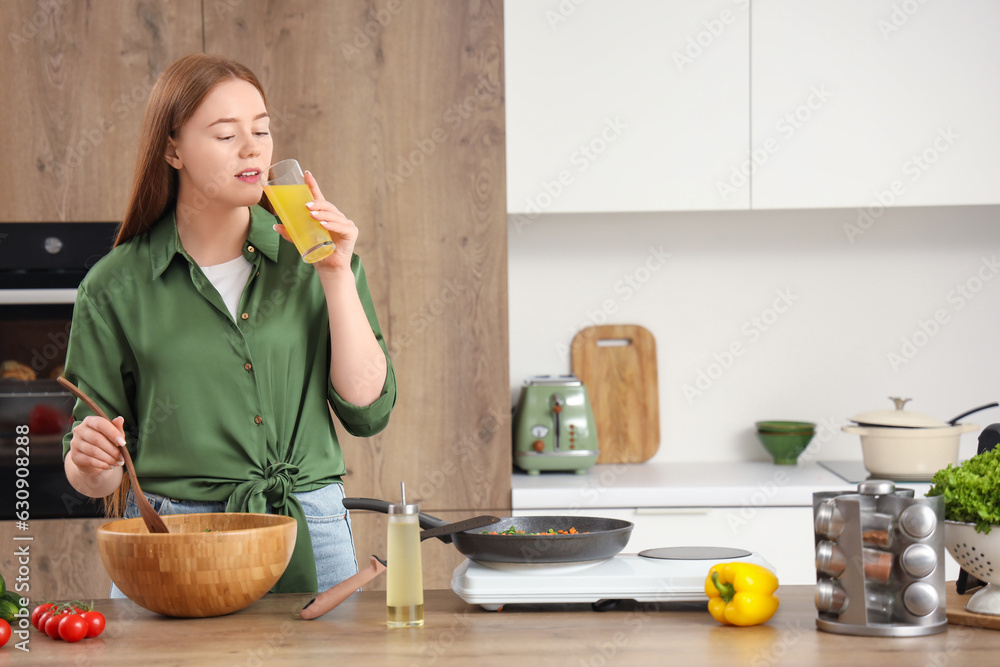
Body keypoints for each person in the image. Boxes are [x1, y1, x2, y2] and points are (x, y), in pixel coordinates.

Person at [61, 54, 396, 595]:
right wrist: (90, 458)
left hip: (310, 527)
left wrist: (336, 274)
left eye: (261, 130)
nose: (253, 149)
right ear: (173, 149)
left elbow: (367, 410)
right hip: (176, 538)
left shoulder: (318, 258)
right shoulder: (113, 286)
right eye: (225, 135)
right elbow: (96, 473)